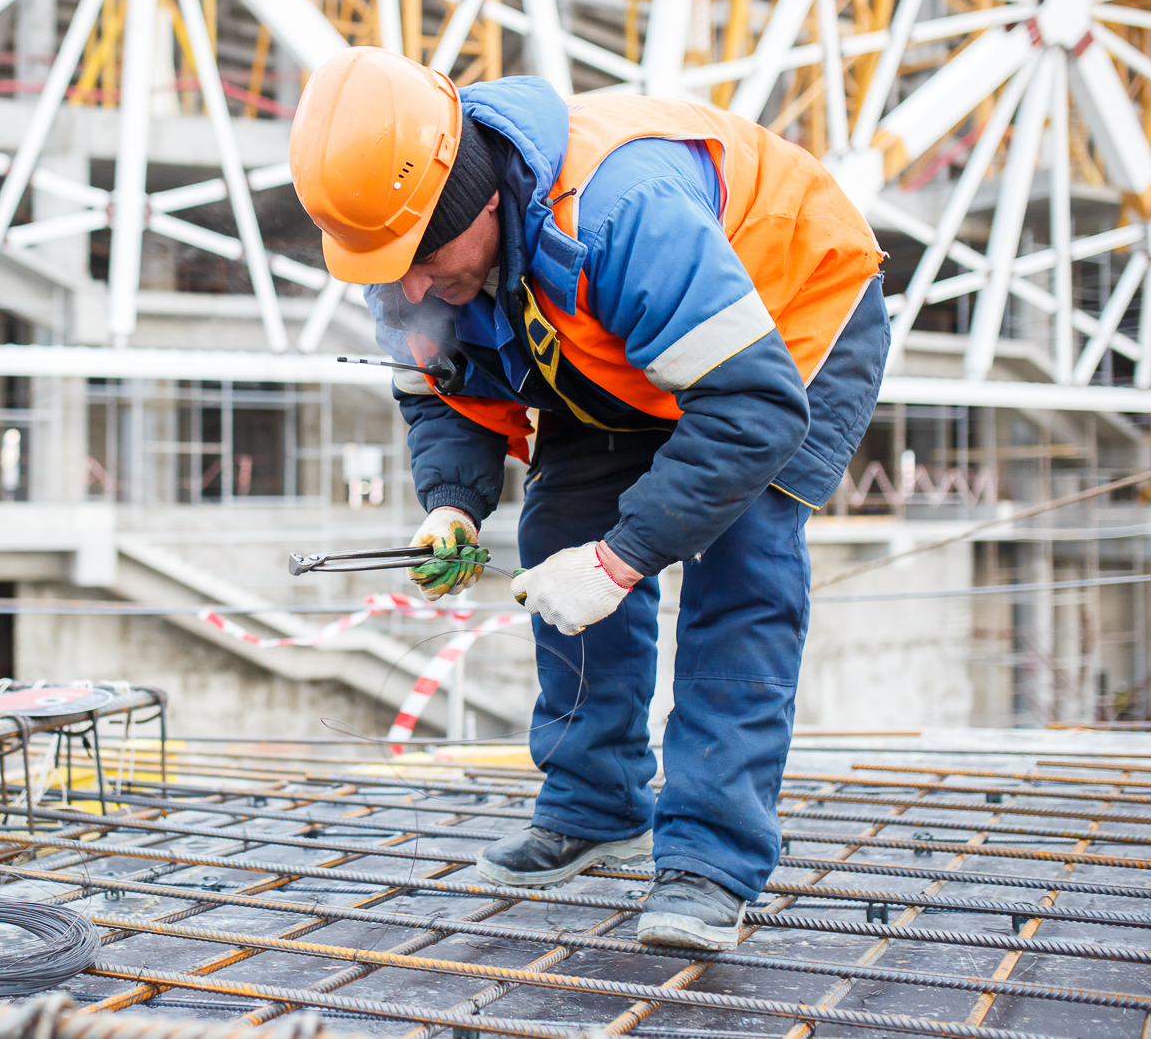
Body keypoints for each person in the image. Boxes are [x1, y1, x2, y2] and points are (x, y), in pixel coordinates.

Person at [288, 48, 888, 953]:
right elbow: (441, 387)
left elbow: (750, 409)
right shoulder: (410, 252)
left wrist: (620, 561)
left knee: (742, 568)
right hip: (619, 349)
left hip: (786, 324)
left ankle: (711, 861)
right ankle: (595, 803)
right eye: (385, 268)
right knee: (558, 525)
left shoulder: (619, 212)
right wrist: (452, 502)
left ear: (480, 200)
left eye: (419, 259)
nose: (407, 287)